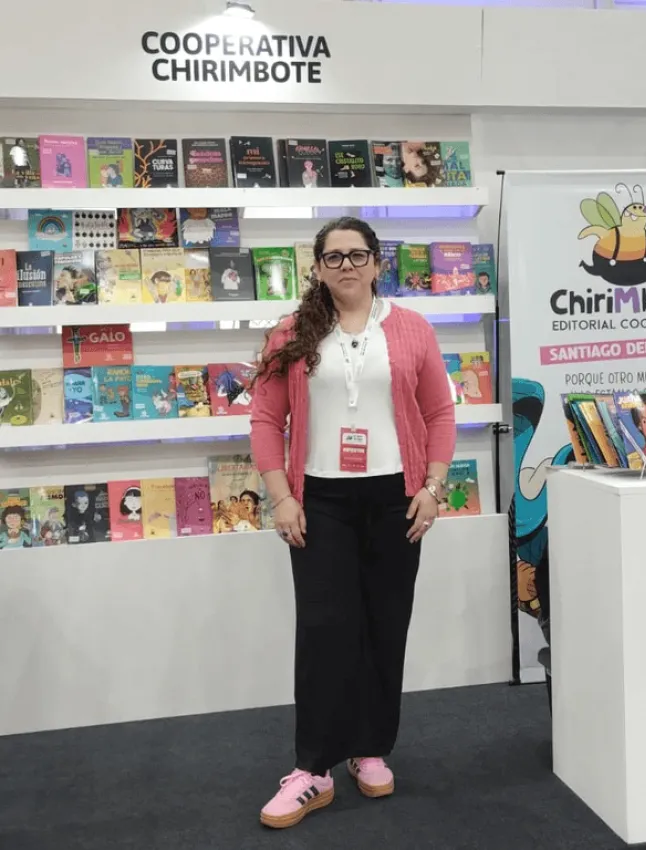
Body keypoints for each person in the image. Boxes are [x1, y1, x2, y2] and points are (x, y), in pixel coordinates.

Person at [250, 215, 455, 830]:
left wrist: (433, 487)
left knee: (384, 625)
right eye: (333, 256)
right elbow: (266, 419)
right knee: (323, 630)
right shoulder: (292, 332)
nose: (346, 265)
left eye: (357, 254)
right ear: (317, 267)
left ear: (376, 263)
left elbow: (439, 412)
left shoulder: (413, 328)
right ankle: (312, 768)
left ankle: (370, 748)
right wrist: (281, 498)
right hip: (320, 501)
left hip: (396, 497)